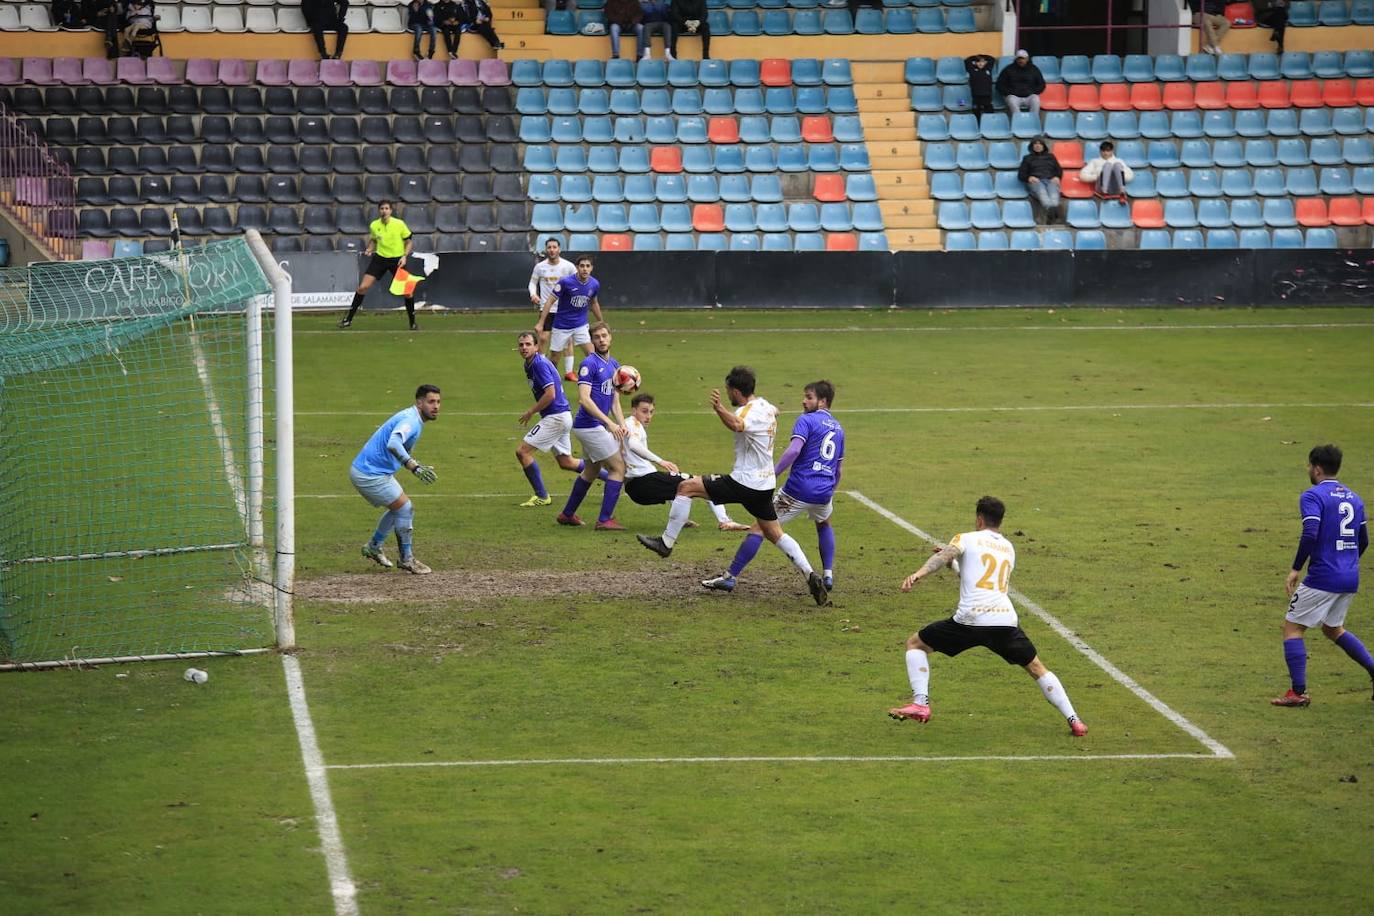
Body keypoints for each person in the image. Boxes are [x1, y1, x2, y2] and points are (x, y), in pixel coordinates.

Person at [889, 496, 1088, 737]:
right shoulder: (1008, 549)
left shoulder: (965, 538)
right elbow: (975, 577)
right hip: (1004, 621)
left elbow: (941, 557)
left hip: (970, 620)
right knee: (1036, 668)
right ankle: (1075, 720)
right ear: (1000, 521)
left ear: (979, 519)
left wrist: (918, 573)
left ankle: (921, 703)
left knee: (915, 644)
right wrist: (954, 563)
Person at [636, 366, 830, 608]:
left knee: (686, 487)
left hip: (744, 481)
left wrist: (719, 409)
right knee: (774, 532)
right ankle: (810, 574)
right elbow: (774, 411)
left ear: (737, 392)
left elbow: (738, 425)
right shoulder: (765, 406)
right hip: (765, 484)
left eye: (729, 391)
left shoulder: (748, 412)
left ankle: (666, 543)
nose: (728, 395)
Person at [702, 380, 845, 594]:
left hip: (798, 490)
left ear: (822, 401)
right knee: (824, 523)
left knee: (759, 528)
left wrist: (774, 472)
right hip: (825, 490)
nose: (803, 401)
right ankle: (828, 575)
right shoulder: (839, 428)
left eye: (809, 397)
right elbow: (839, 468)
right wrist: (829, 491)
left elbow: (794, 451)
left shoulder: (806, 421)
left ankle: (730, 577)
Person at [1272, 445, 1372, 707]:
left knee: (1293, 628)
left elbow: (1310, 533)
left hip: (1323, 576)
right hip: (1349, 577)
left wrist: (1296, 568)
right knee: (1332, 628)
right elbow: (1363, 541)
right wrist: (1346, 563)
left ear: (1316, 468)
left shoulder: (1312, 496)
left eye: (1309, 466)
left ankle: (1298, 692)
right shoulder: (1355, 497)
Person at [621, 393, 750, 530]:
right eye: (644, 411)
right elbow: (633, 445)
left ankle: (680, 519)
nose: (648, 416)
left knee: (680, 486)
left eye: (651, 412)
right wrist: (661, 461)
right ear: (634, 410)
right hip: (645, 481)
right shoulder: (633, 424)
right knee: (705, 483)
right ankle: (725, 521)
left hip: (636, 488)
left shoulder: (625, 425)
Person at [349, 385, 441, 575]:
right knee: (405, 508)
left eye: (438, 402)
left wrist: (416, 463)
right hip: (369, 474)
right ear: (419, 402)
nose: (436, 406)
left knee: (399, 509)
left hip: (371, 470)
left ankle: (374, 546)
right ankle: (406, 559)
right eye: (431, 402)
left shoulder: (413, 418)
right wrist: (413, 466)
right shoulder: (411, 420)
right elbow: (393, 443)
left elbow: (401, 447)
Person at [515, 330, 609, 508]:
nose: (524, 348)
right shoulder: (531, 363)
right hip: (561, 415)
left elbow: (550, 395)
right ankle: (613, 479)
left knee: (523, 452)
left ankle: (542, 496)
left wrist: (531, 411)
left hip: (555, 417)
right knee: (566, 462)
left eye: (528, 344)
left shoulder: (538, 364)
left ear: (536, 346)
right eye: (521, 345)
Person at [556, 322, 629, 531]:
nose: (601, 340)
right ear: (592, 341)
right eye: (597, 337)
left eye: (604, 335)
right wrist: (609, 424)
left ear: (610, 337)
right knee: (618, 468)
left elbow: (614, 400)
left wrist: (622, 424)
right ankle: (604, 520)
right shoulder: (589, 364)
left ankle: (567, 514)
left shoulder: (615, 365)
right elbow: (584, 400)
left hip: (595, 426)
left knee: (591, 470)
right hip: (589, 425)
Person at [338, 201, 418, 331]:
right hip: (380, 259)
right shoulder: (374, 225)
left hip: (397, 260)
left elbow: (408, 242)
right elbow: (374, 240)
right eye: (382, 208)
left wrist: (404, 256)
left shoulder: (399, 224)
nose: (384, 211)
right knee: (362, 287)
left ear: (391, 211)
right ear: (379, 210)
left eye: (387, 208)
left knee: (408, 292)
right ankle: (348, 320)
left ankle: (412, 323)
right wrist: (369, 249)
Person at [535, 255, 604, 383]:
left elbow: (594, 303)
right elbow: (549, 301)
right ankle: (548, 381)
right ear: (577, 267)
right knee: (555, 356)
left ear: (591, 268)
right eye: (582, 266)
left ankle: (597, 382)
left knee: (592, 354)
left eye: (587, 266)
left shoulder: (594, 284)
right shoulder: (565, 282)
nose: (585, 269)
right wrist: (541, 323)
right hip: (562, 326)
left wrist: (601, 322)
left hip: (581, 325)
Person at [527, 239, 578, 379]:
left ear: (559, 249)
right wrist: (533, 294)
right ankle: (541, 369)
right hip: (546, 308)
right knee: (543, 338)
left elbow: (577, 283)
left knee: (567, 341)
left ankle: (569, 373)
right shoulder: (540, 267)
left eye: (554, 247)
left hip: (564, 310)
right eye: (549, 247)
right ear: (546, 250)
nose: (552, 249)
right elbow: (532, 283)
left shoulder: (568, 267)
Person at [1018, 136, 1063, 224]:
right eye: (1035, 144)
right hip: (1036, 182)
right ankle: (1054, 218)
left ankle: (1051, 218)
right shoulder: (1027, 158)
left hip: (1050, 181)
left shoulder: (1051, 157)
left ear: (1043, 146)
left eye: (1040, 144)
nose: (1037, 146)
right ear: (1032, 146)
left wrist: (1057, 176)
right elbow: (1021, 175)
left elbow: (1059, 170)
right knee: (1044, 196)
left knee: (1054, 198)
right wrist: (1029, 177)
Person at [995, 50, 1045, 117]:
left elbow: (1041, 84)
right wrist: (1009, 92)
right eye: (1019, 58)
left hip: (1029, 96)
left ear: (1027, 59)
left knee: (1036, 99)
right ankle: (1018, 121)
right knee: (1011, 100)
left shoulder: (1034, 69)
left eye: (1023, 58)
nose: (1021, 60)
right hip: (1014, 96)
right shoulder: (1008, 69)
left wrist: (1032, 91)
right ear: (1016, 59)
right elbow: (999, 85)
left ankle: (1033, 120)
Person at [963, 53, 996, 119]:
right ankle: (977, 125)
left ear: (985, 62)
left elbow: (992, 59)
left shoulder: (988, 69)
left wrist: (983, 56)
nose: (980, 64)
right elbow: (967, 60)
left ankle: (989, 126)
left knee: (989, 111)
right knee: (976, 112)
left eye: (982, 62)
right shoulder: (972, 70)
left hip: (987, 95)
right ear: (975, 63)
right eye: (978, 62)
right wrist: (976, 56)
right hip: (976, 95)